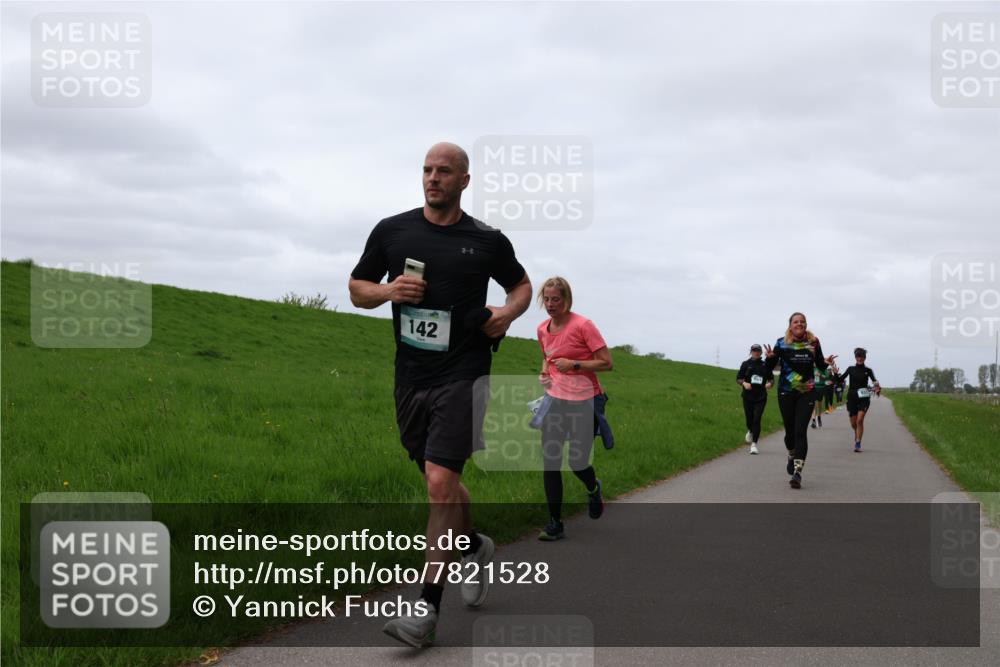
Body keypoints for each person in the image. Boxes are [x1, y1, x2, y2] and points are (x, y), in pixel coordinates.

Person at [349, 142, 532, 647]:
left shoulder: (487, 240)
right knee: (440, 482)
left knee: (438, 481)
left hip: (466, 372)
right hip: (411, 377)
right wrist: (388, 291)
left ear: (464, 181)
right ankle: (473, 545)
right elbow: (356, 287)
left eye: (444, 171)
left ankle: (425, 610)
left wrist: (506, 315)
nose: (433, 178)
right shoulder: (392, 231)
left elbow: (521, 286)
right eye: (427, 170)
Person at [535, 277, 613, 540]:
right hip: (555, 401)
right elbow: (547, 360)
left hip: (585, 400)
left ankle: (593, 488)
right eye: (546, 299)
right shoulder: (542, 329)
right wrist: (545, 374)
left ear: (566, 299)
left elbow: (606, 362)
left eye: (555, 299)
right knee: (550, 463)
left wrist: (576, 365)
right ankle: (555, 524)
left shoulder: (583, 325)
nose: (550, 304)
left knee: (578, 462)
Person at [764, 312, 836, 489]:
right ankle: (791, 453)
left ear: (806, 324)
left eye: (802, 322)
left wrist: (827, 363)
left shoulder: (814, 342)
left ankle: (797, 473)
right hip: (786, 392)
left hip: (807, 392)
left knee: (800, 431)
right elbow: (769, 368)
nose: (799, 324)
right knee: (789, 433)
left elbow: (819, 364)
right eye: (796, 322)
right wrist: (770, 358)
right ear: (790, 325)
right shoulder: (782, 342)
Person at [833, 348, 880, 452]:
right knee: (853, 423)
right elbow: (839, 380)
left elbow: (874, 380)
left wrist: (877, 385)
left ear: (864, 358)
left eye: (861, 357)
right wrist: (836, 373)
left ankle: (858, 443)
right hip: (852, 397)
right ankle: (857, 433)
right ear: (855, 357)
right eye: (858, 356)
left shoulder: (868, 370)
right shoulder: (850, 369)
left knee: (860, 420)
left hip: (864, 397)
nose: (859, 358)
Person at [736, 343, 773, 454]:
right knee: (749, 420)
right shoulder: (746, 364)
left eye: (758, 351)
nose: (756, 352)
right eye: (754, 350)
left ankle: (754, 445)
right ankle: (751, 430)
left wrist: (769, 384)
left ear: (761, 353)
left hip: (761, 397)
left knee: (757, 419)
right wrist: (744, 383)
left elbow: (771, 379)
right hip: (747, 397)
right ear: (751, 352)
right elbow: (738, 378)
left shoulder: (765, 365)